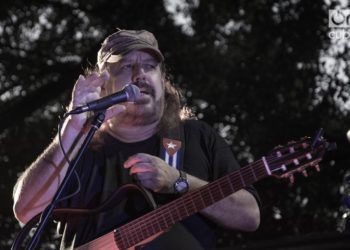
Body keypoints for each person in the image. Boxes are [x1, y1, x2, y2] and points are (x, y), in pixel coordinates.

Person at [12, 29, 260, 249]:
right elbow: (26, 210)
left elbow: (249, 216)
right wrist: (73, 127)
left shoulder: (197, 136)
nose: (140, 74)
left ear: (163, 81)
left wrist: (179, 181)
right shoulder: (78, 149)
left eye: (150, 66)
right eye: (126, 67)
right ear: (103, 86)